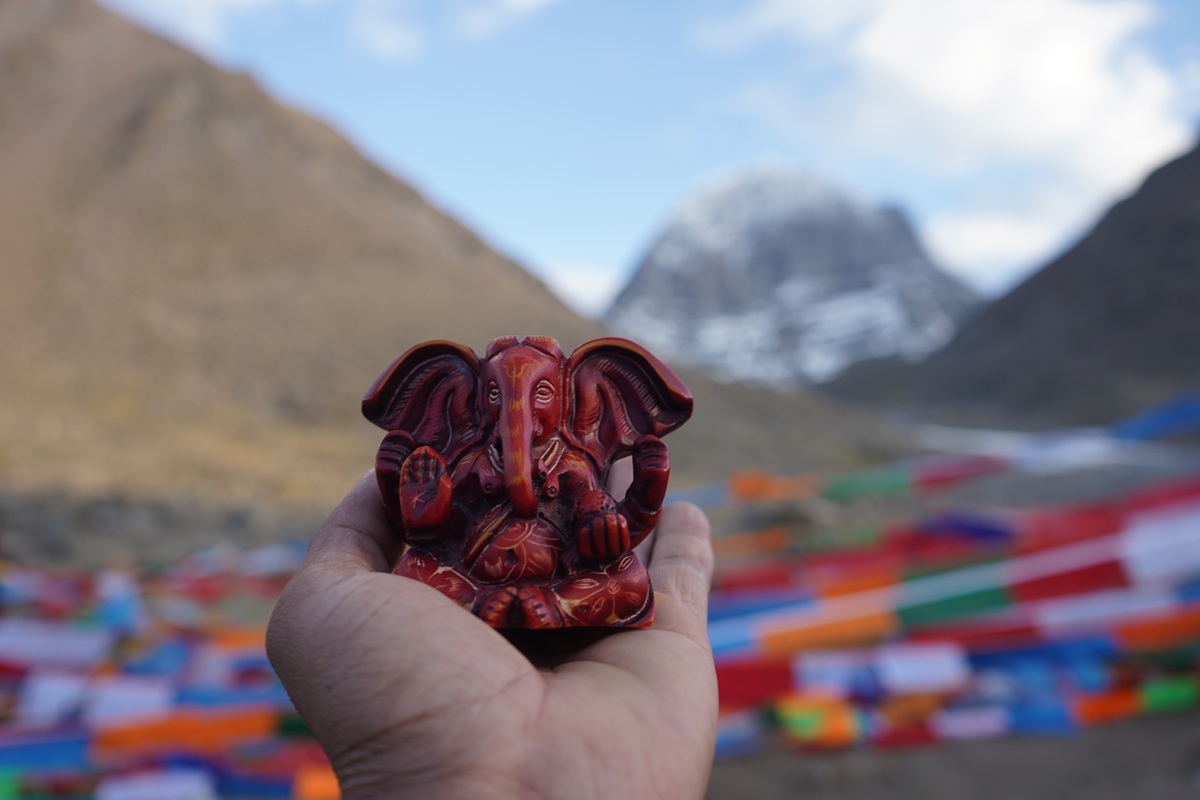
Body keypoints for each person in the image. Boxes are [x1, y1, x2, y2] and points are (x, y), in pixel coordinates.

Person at [266, 467, 718, 799]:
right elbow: (437, 532)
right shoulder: (466, 461)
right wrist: (427, 508)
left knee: (631, 581)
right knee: (419, 567)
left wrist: (609, 517)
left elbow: (618, 530)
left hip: (563, 582)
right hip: (476, 580)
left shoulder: (577, 466)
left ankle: (548, 606)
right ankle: (495, 605)